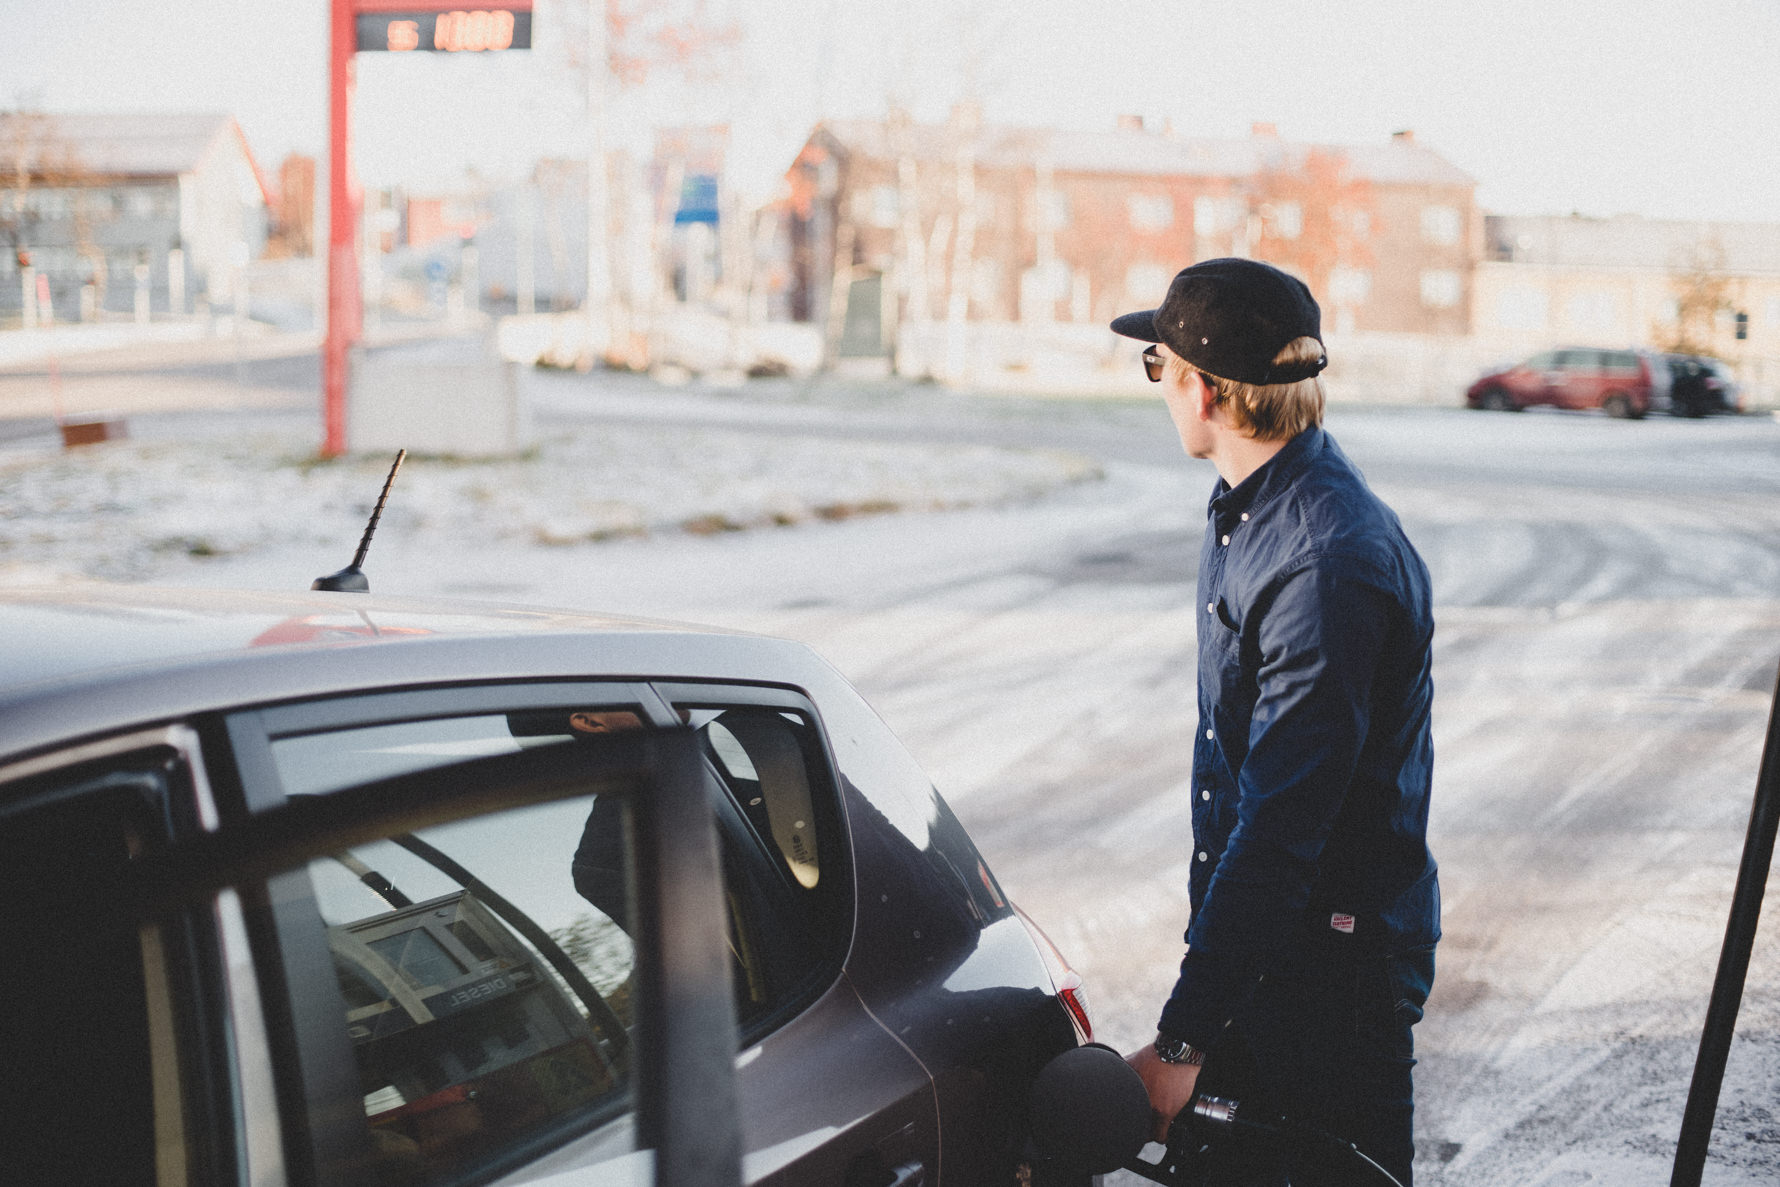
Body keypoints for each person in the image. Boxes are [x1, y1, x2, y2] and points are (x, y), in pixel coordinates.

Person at [1111, 259, 1439, 1185]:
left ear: (1206, 391)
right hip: (1272, 958)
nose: (1157, 384)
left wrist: (1183, 1039)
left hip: (1330, 983)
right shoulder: (1254, 512)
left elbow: (1283, 824)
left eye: (1157, 364)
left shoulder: (1323, 564)